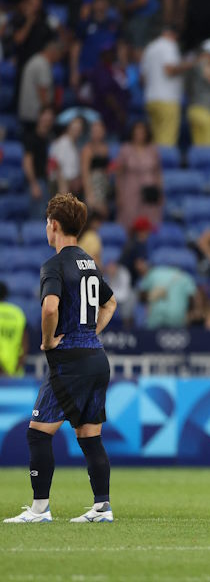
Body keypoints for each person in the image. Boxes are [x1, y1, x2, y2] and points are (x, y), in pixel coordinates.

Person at [4, 194, 118, 524]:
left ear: (53, 225)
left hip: (68, 361)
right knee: (90, 436)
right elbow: (110, 304)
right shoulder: (89, 263)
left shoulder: (53, 265)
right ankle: (102, 507)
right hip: (96, 357)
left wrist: (47, 339)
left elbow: (50, 307)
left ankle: (40, 509)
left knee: (38, 433)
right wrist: (90, 330)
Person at [141, 26, 194, 147]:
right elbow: (169, 70)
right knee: (167, 143)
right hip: (167, 100)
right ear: (172, 35)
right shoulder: (168, 45)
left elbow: (142, 78)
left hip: (150, 99)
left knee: (155, 140)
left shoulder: (150, 48)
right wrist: (190, 64)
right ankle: (164, 166)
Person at [187, 39, 210, 146]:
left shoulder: (194, 63)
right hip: (205, 111)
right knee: (209, 149)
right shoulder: (206, 63)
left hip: (193, 109)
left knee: (199, 149)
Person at [0, 282, 27, 377]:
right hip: (15, 374)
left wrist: (3, 372)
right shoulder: (17, 312)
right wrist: (16, 369)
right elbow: (25, 344)